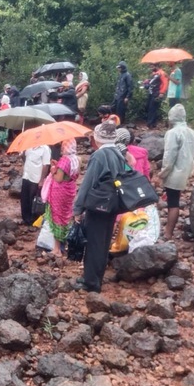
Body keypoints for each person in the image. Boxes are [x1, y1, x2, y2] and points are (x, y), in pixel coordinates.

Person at [72, 122, 124, 293]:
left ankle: (91, 282)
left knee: (93, 243)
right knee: (103, 242)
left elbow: (88, 183)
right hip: (112, 204)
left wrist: (77, 209)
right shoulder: (118, 153)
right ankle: (96, 277)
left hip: (97, 205)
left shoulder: (99, 156)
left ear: (97, 137)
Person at [159, 104, 194, 241]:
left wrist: (162, 174)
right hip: (186, 170)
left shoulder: (173, 133)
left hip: (175, 171)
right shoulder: (192, 132)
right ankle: (169, 231)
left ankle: (168, 232)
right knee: (174, 199)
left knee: (173, 202)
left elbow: (169, 156)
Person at [44, 139, 80, 255]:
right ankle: (64, 244)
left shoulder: (64, 160)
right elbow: (72, 175)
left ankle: (57, 249)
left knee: (57, 217)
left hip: (59, 192)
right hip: (70, 189)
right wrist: (57, 165)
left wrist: (53, 170)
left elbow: (59, 178)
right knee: (66, 215)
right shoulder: (77, 159)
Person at [21, 144, 51, 226]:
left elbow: (46, 165)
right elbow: (25, 159)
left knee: (33, 200)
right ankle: (25, 218)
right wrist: (22, 153)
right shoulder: (28, 146)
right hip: (26, 176)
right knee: (24, 198)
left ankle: (33, 220)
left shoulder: (45, 148)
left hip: (36, 178)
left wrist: (41, 180)